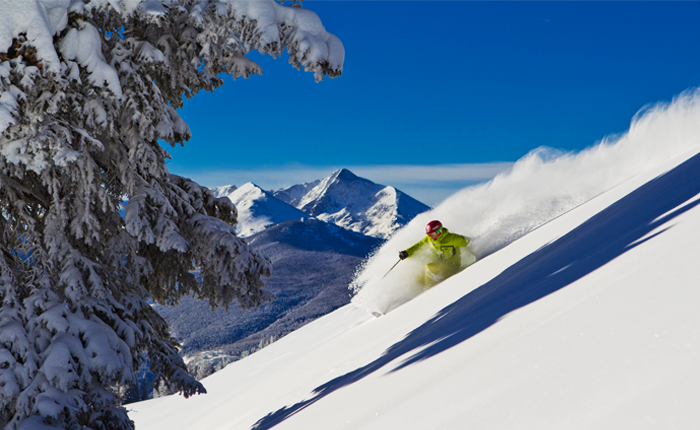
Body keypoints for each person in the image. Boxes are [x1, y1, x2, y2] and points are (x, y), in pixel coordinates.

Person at [399, 220, 476, 288]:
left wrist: (474, 251)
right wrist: (407, 252)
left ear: (439, 231)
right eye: (428, 235)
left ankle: (428, 291)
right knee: (419, 277)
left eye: (432, 234)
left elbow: (469, 242)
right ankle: (415, 293)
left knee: (429, 268)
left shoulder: (452, 238)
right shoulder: (430, 240)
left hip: (452, 266)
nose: (430, 237)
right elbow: (419, 246)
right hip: (440, 265)